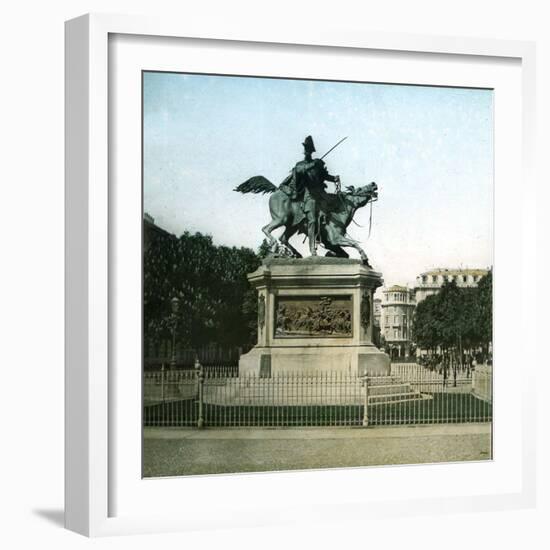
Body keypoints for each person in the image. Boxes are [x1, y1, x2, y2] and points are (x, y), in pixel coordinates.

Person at [291, 136, 341, 256]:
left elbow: (325, 176)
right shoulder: (300, 165)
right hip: (310, 196)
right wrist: (312, 165)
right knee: (312, 220)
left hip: (321, 195)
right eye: (306, 150)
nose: (307, 152)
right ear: (304, 151)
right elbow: (298, 173)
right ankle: (312, 247)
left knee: (334, 213)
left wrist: (334, 178)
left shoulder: (318, 163)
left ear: (311, 151)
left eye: (309, 150)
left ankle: (330, 238)